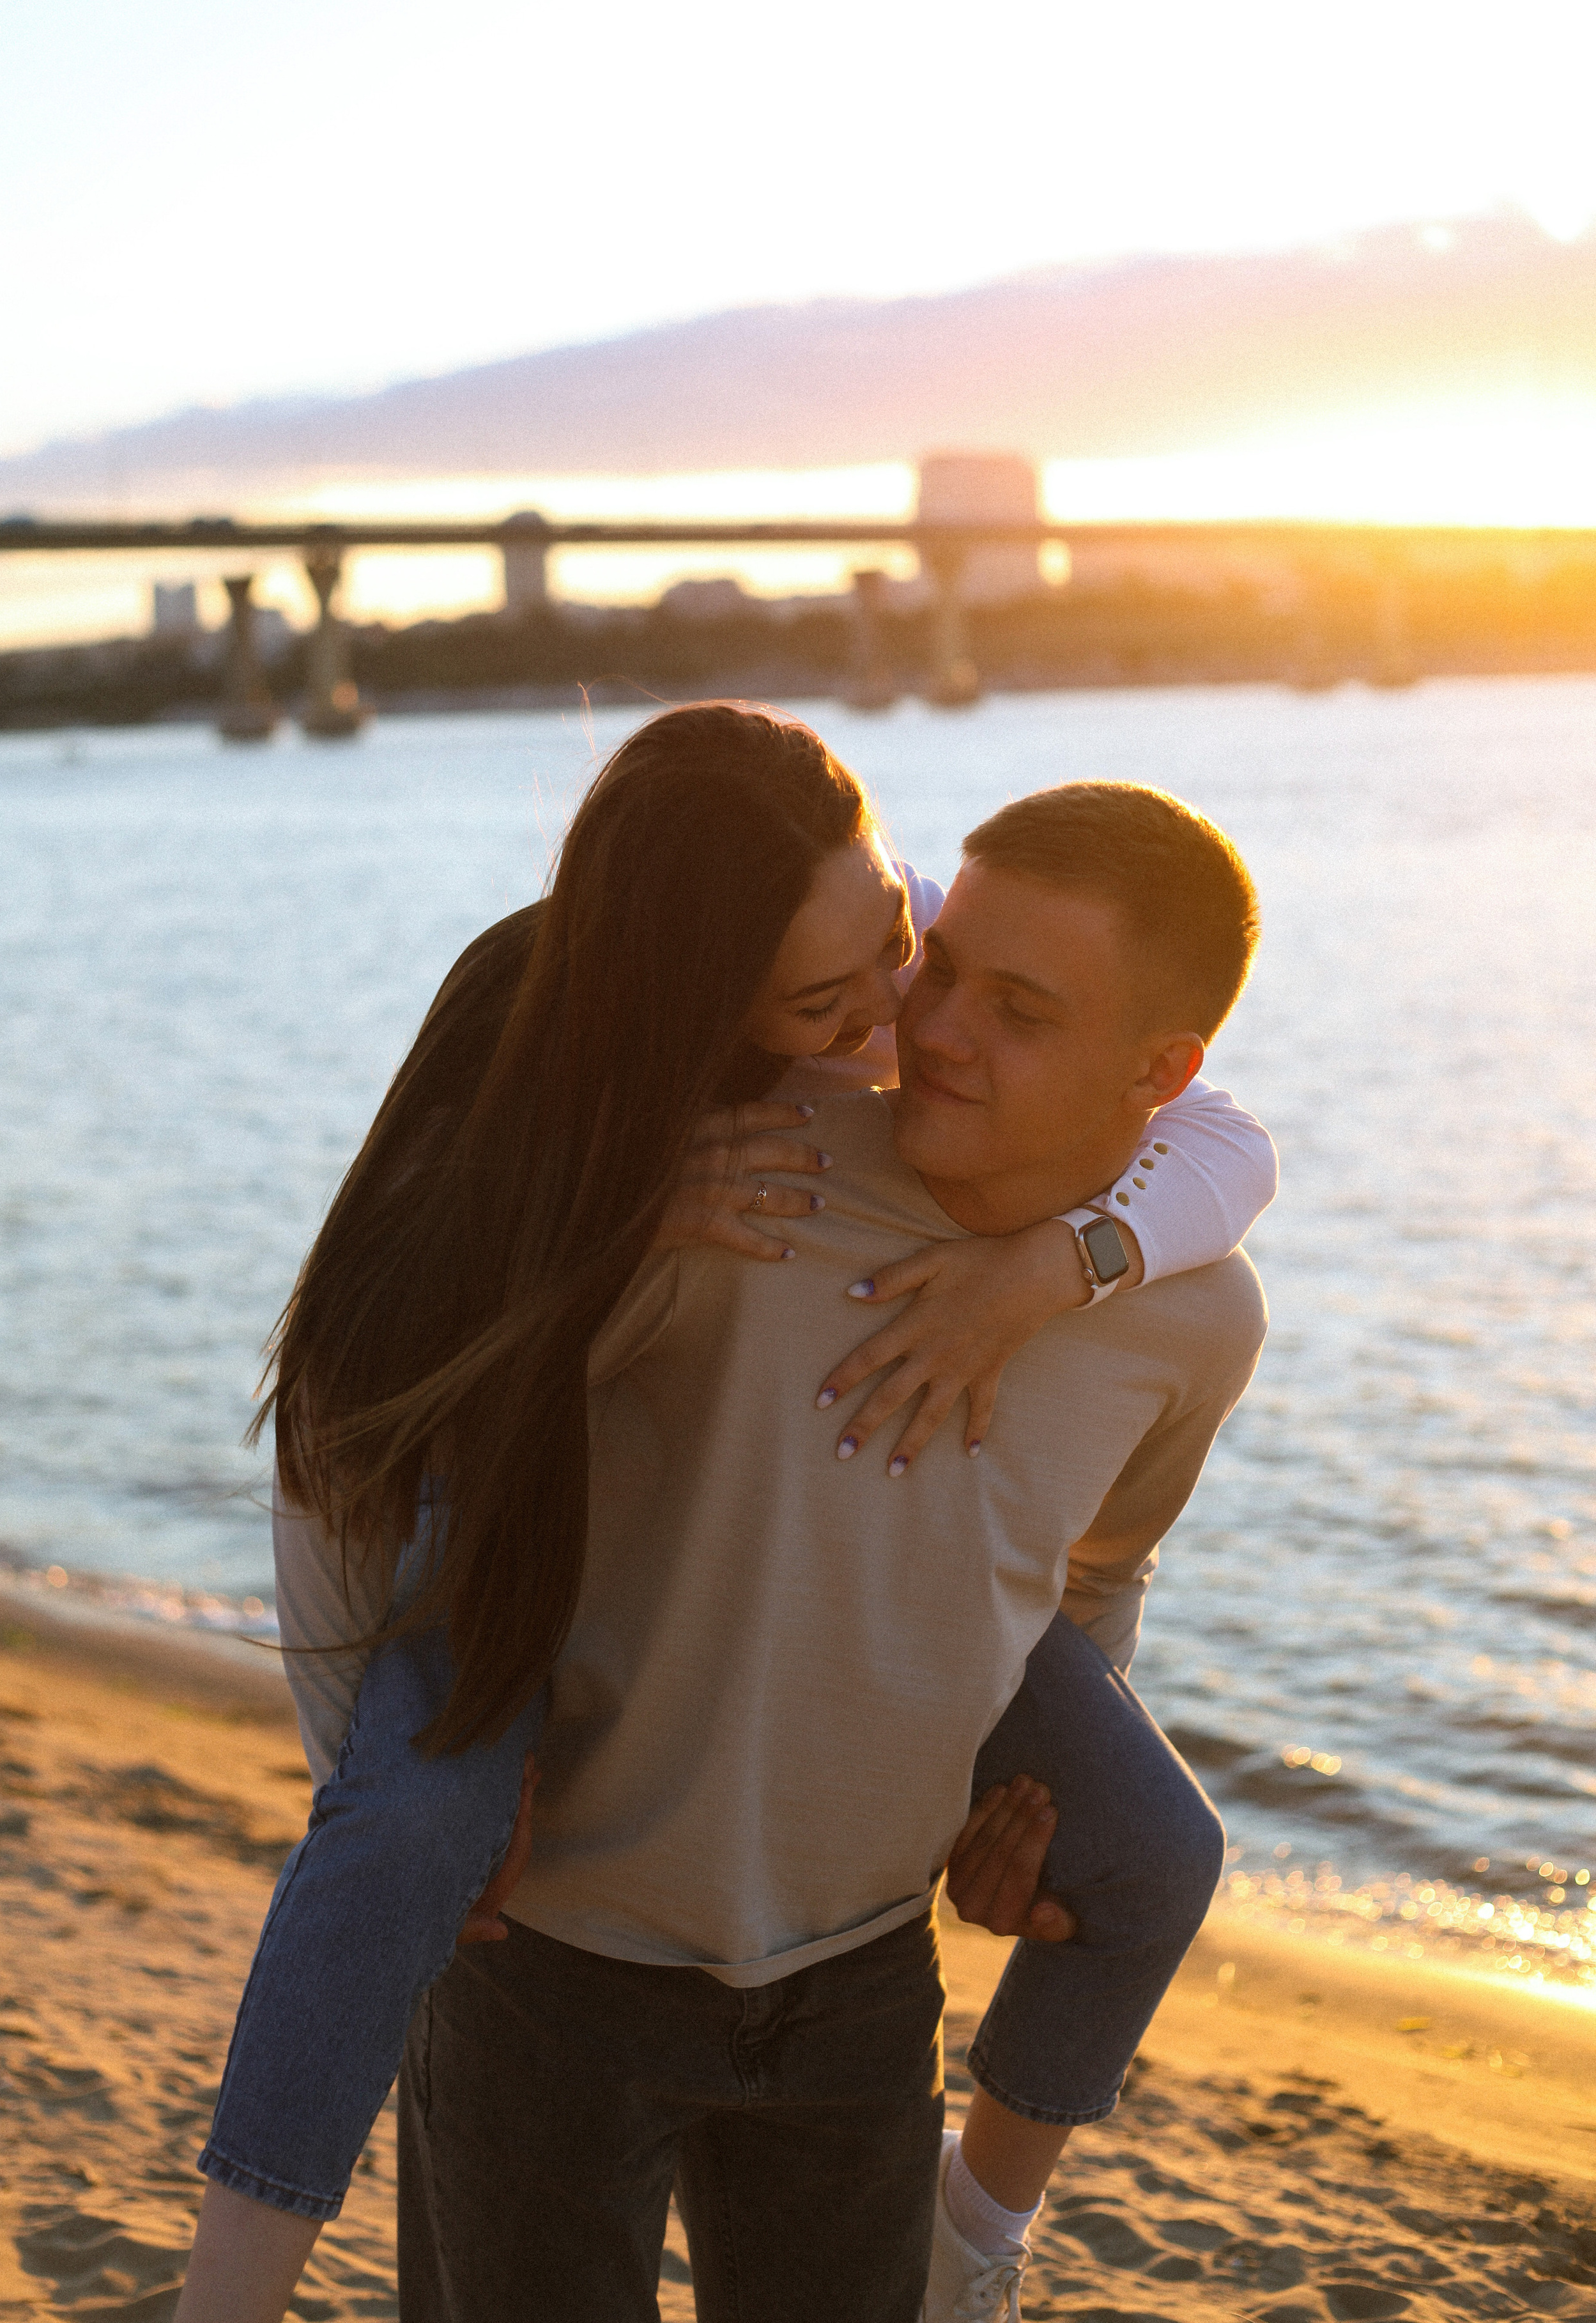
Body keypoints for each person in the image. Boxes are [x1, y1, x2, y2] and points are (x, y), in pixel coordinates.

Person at [176, 711, 1273, 2322]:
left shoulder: (1188, 1310)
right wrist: (388, 1769)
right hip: (550, 1970)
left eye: (999, 1001)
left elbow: (1097, 1559)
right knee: (404, 1836)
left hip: (858, 1989)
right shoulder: (723, 1160)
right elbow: (369, 1433)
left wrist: (1024, 1788)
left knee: (1166, 1851)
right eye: (918, 978)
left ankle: (976, 2241)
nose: (915, 1023)